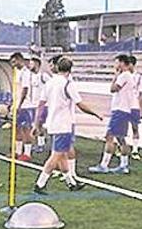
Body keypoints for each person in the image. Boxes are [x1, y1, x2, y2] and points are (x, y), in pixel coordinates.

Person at [33, 56, 102, 194]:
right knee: (56, 155)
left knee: (63, 154)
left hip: (53, 123)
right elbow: (80, 104)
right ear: (70, 70)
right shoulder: (67, 84)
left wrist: (37, 123)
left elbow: (40, 105)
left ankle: (70, 182)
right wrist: (95, 114)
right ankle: (40, 183)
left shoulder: (50, 83)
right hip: (64, 124)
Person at [89, 54, 136, 174]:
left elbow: (113, 88)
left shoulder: (124, 75)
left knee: (109, 136)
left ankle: (104, 165)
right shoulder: (129, 76)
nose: (114, 65)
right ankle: (124, 165)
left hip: (120, 110)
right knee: (121, 139)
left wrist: (115, 76)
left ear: (121, 63)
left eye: (116, 62)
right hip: (124, 110)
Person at [9, 52, 35, 161]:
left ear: (20, 60)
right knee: (16, 128)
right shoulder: (17, 72)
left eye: (14, 62)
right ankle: (17, 151)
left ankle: (27, 153)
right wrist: (12, 103)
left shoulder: (26, 73)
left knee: (26, 129)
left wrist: (19, 105)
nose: (13, 64)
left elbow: (25, 89)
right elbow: (16, 90)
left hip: (25, 105)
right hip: (16, 104)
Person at [29, 57, 50, 153]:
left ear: (37, 64)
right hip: (34, 104)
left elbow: (51, 86)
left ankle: (41, 144)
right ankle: (39, 142)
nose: (30, 65)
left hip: (43, 105)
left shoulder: (44, 76)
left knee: (39, 124)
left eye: (31, 64)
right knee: (35, 124)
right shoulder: (31, 76)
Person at [129, 55, 142, 160]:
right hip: (124, 106)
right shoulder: (123, 76)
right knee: (121, 129)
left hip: (134, 106)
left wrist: (141, 109)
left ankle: (135, 149)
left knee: (135, 128)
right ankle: (122, 148)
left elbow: (140, 95)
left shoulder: (139, 78)